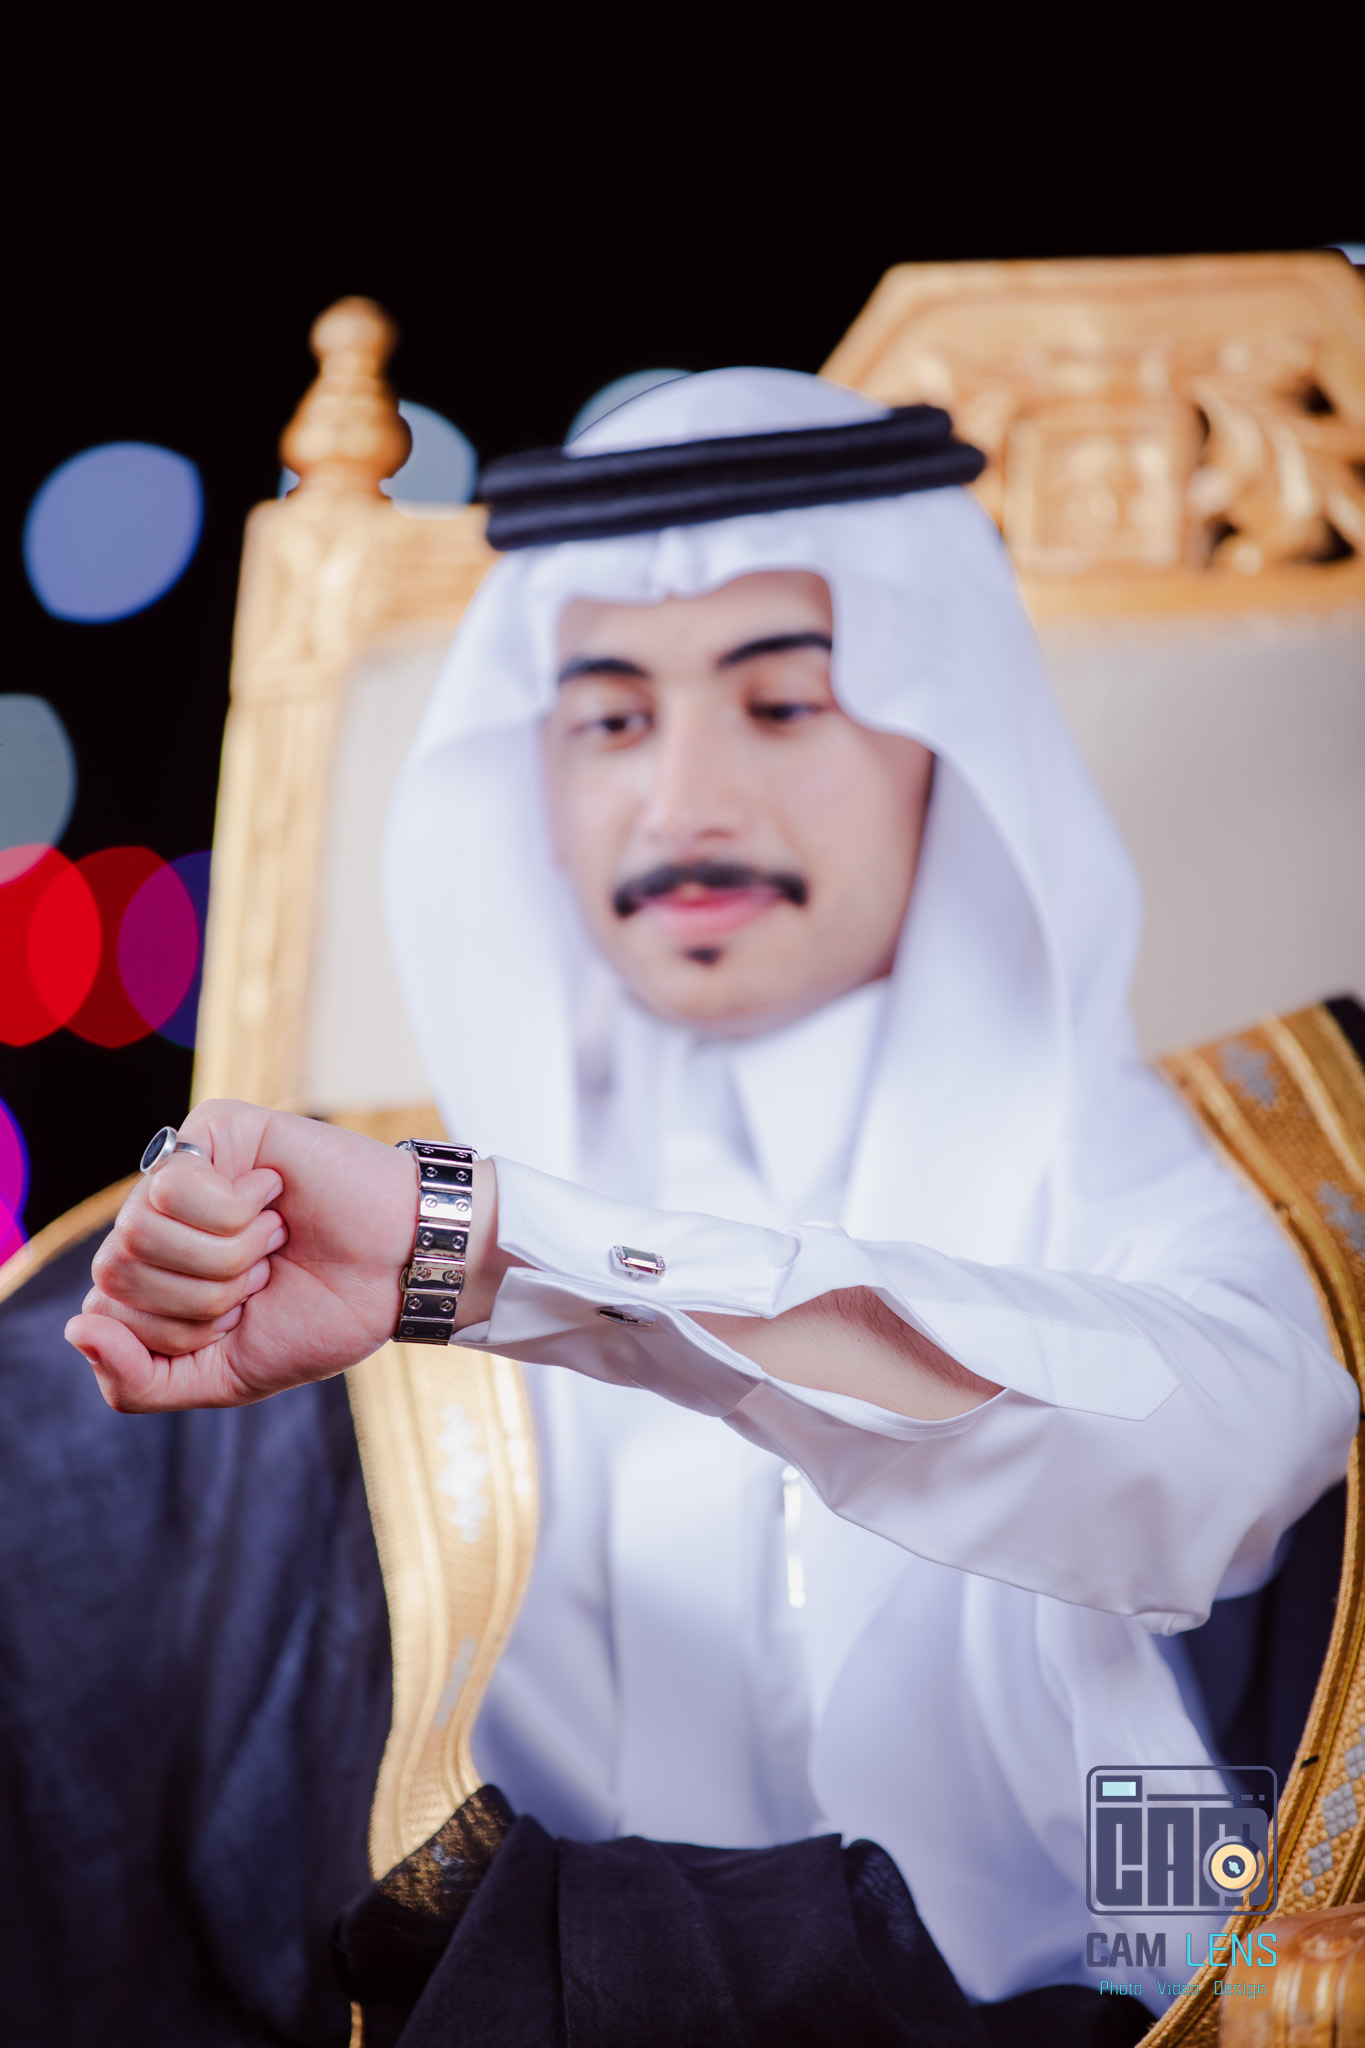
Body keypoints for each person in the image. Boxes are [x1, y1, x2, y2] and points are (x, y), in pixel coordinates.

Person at [70, 371, 1355, 2039]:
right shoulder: (352, 1200)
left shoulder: (1209, 1138)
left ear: (942, 737)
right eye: (610, 721)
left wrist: (497, 1258)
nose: (681, 803)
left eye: (783, 705)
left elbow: (1222, 1458)